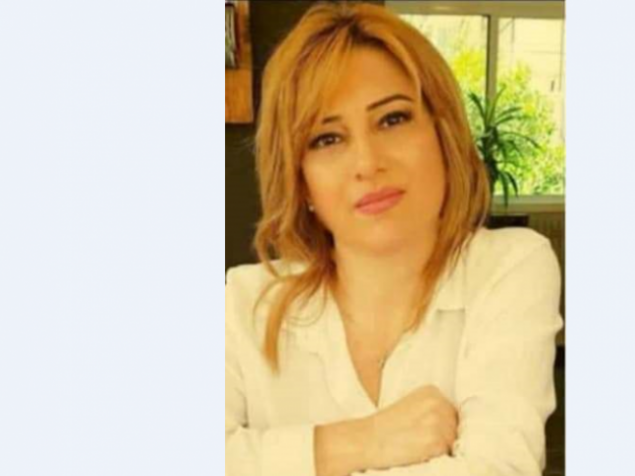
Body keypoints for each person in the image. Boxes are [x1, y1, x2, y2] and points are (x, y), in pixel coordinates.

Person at [225, 2, 563, 475]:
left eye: (392, 119)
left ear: (443, 134)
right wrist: (363, 441)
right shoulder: (243, 302)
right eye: (327, 139)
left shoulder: (508, 268)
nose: (367, 163)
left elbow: (497, 467)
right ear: (301, 181)